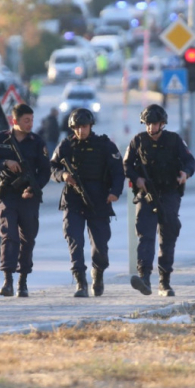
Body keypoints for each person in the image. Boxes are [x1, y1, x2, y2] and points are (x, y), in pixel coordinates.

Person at [50, 108, 124, 298]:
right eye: (77, 127)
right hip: (73, 199)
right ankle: (80, 281)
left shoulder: (105, 145)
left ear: (91, 126)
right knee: (75, 240)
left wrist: (114, 193)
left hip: (99, 199)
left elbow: (118, 171)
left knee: (100, 245)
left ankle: (97, 273)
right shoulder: (66, 146)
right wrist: (63, 175)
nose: (80, 131)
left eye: (84, 127)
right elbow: (52, 167)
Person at [123, 104, 195, 297]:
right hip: (146, 194)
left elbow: (190, 162)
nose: (150, 128)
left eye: (154, 123)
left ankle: (164, 281)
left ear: (162, 124)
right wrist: (136, 178)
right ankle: (144, 277)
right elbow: (126, 165)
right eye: (147, 124)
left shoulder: (174, 140)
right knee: (145, 234)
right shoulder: (137, 141)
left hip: (169, 193)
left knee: (168, 235)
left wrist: (185, 174)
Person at [0, 103, 51, 297]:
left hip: (28, 196)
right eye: (26, 120)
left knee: (27, 239)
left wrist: (34, 188)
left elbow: (46, 171)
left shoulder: (37, 142)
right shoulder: (0, 139)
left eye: (31, 120)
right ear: (15, 121)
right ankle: (8, 280)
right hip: (7, 195)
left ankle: (23, 281)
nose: (30, 124)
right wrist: (5, 162)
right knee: (9, 235)